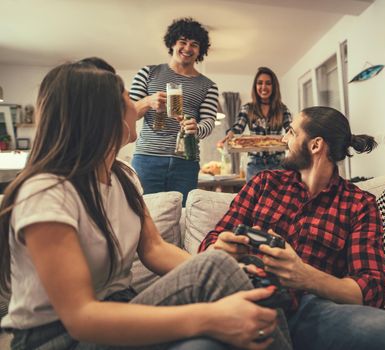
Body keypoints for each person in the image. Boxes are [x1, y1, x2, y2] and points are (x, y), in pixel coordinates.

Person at [0, 59, 292, 350]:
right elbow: (80, 316)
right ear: (101, 114)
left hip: (121, 303)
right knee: (213, 299)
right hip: (58, 336)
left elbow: (154, 248)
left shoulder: (123, 176)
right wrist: (208, 317)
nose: (134, 108)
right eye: (128, 98)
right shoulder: (46, 192)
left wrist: (226, 273)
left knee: (222, 281)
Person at [199, 106, 385, 350]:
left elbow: (371, 289)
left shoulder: (359, 204)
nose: (283, 140)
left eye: (291, 132)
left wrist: (304, 276)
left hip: (311, 309)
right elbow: (210, 242)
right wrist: (220, 248)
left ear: (315, 145)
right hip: (244, 298)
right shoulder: (264, 184)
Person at [129, 17, 218, 205]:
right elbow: (128, 113)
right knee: (142, 212)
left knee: (184, 216)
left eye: (194, 44)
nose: (188, 48)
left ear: (200, 50)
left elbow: (208, 122)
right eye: (183, 42)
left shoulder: (208, 85)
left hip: (186, 162)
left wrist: (197, 128)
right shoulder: (148, 73)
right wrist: (147, 101)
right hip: (147, 159)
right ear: (172, 43)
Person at [218, 67, 292, 180]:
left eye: (268, 83)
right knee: (254, 198)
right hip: (255, 165)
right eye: (260, 83)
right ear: (255, 86)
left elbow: (290, 128)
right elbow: (238, 127)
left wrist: (296, 134)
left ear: (274, 87)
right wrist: (231, 133)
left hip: (278, 164)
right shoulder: (248, 108)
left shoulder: (282, 109)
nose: (263, 87)